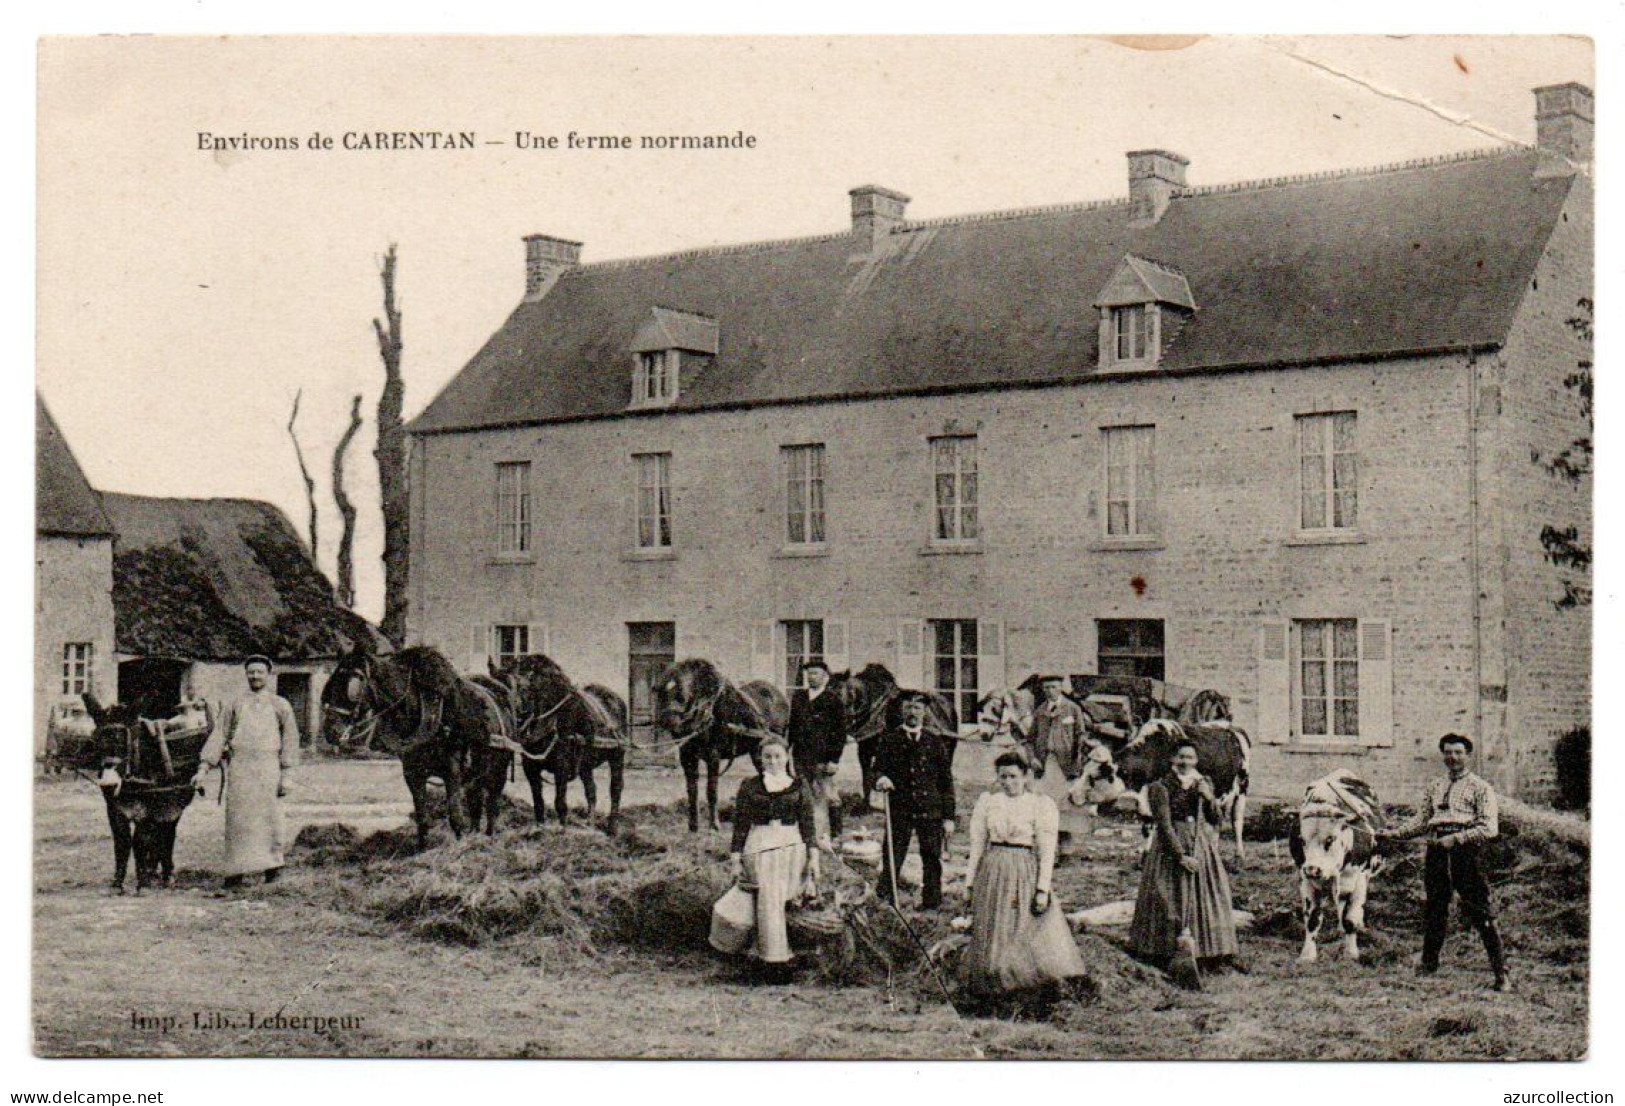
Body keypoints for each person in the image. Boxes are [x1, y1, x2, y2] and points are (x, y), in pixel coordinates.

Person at [1382, 733, 1509, 991]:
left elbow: (1490, 828)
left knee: (1481, 911)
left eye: (1458, 753)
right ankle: (1429, 965)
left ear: (1468, 756)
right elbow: (1421, 820)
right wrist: (1395, 834)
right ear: (1443, 755)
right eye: (1448, 752)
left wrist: (1458, 839)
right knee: (1435, 909)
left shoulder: (1481, 788)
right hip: (1436, 852)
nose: (1453, 758)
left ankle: (1501, 974)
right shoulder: (1434, 786)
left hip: (1467, 854)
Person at [960, 749, 1088, 997]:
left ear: (1026, 776)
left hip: (1023, 870)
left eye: (1013, 777)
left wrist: (1042, 889)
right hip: (993, 868)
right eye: (1003, 777)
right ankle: (991, 981)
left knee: (1019, 925)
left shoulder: (1039, 805)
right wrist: (969, 882)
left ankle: (1019, 982)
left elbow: (1047, 849)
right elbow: (977, 845)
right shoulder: (989, 802)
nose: (1008, 783)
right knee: (992, 925)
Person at [710, 735, 824, 981]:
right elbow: (740, 825)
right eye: (767, 757)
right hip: (761, 844)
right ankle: (773, 962)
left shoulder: (798, 785)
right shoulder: (750, 786)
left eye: (777, 756)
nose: (772, 761)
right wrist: (735, 858)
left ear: (786, 758)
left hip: (792, 845)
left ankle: (796, 953)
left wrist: (813, 856)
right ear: (761, 760)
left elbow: (808, 825)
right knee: (768, 901)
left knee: (789, 899)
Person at [1129, 740, 1239, 974]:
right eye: (1180, 757)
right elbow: (1164, 825)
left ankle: (1210, 952)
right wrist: (1180, 856)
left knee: (1209, 896)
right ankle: (1163, 951)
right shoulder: (1160, 787)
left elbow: (1216, 819)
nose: (1185, 762)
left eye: (1190, 757)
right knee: (1167, 897)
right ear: (1172, 760)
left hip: (1200, 843)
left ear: (1196, 761)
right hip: (1171, 847)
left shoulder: (1203, 783)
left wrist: (1209, 797)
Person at [194, 655, 300, 892]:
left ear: (268, 675)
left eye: (259, 672)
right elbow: (219, 735)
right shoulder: (235, 703)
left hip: (269, 767)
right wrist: (204, 767)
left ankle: (272, 869)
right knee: (238, 820)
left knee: (270, 818)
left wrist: (288, 775)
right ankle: (235, 874)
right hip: (240, 767)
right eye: (251, 672)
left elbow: (290, 741)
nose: (255, 676)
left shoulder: (280, 705)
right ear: (246, 675)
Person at [873, 690, 956, 911]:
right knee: (893, 853)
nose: (912, 712)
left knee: (931, 857)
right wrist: (881, 778)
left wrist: (948, 816)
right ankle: (886, 899)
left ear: (925, 712)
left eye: (917, 708)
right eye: (908, 707)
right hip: (899, 808)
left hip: (930, 810)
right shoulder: (889, 740)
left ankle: (932, 902)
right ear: (902, 711)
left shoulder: (935, 742)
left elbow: (946, 782)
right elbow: (876, 769)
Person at [1028, 675, 1096, 840]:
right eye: (1046, 688)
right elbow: (1030, 740)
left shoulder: (1072, 709)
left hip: (1065, 765)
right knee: (1045, 803)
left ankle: (1065, 846)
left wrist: (1078, 759)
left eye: (1053, 687)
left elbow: (1081, 736)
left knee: (1065, 805)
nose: (1050, 691)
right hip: (1045, 764)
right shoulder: (1040, 711)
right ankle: (1047, 843)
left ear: (1060, 688)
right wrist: (1033, 759)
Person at [787, 659, 847, 840]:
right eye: (809, 674)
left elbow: (840, 733)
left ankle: (836, 833)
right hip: (800, 756)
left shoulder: (833, 700)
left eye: (816, 674)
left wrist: (834, 760)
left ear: (825, 677)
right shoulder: (799, 698)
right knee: (804, 795)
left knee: (829, 795)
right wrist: (787, 750)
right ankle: (808, 833)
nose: (812, 677)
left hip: (823, 758)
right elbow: (793, 726)